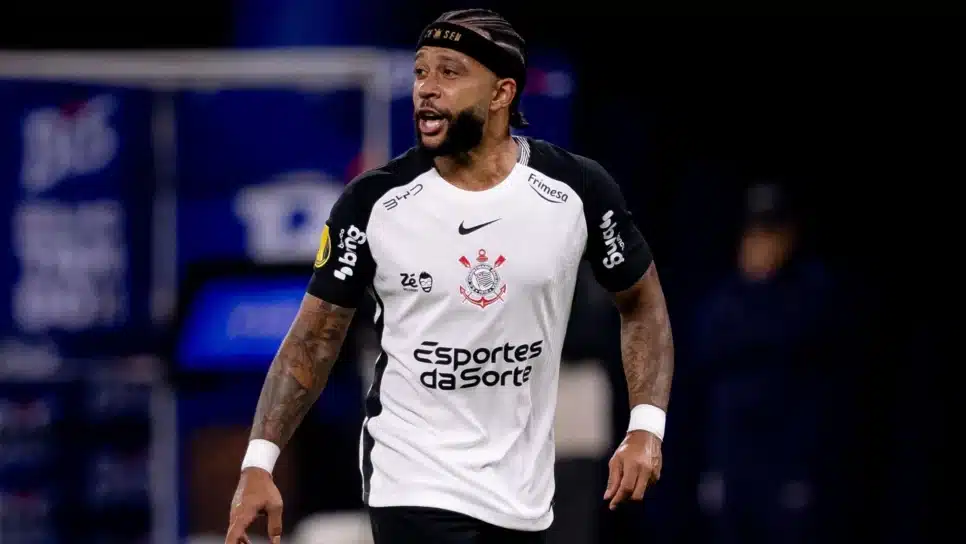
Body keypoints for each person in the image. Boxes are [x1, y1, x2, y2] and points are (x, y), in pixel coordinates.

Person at [225, 9, 674, 544]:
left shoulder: (576, 189)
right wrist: (259, 461)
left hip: (523, 499)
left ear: (502, 93)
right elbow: (313, 337)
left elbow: (642, 301)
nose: (426, 88)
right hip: (412, 483)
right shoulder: (374, 202)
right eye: (420, 71)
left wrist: (646, 426)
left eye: (449, 72)